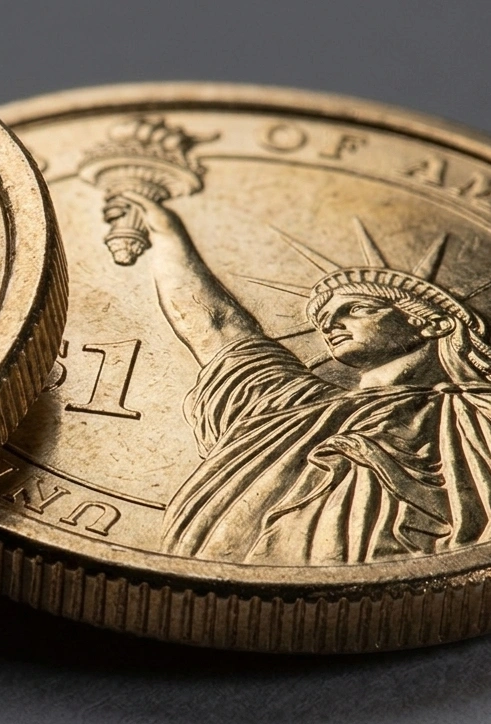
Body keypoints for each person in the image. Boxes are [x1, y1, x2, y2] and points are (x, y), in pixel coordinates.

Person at [108, 192, 491, 565]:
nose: (331, 325)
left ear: (432, 321)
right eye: (324, 320)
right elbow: (216, 324)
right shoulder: (295, 405)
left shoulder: (478, 417)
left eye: (356, 308)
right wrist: (167, 235)